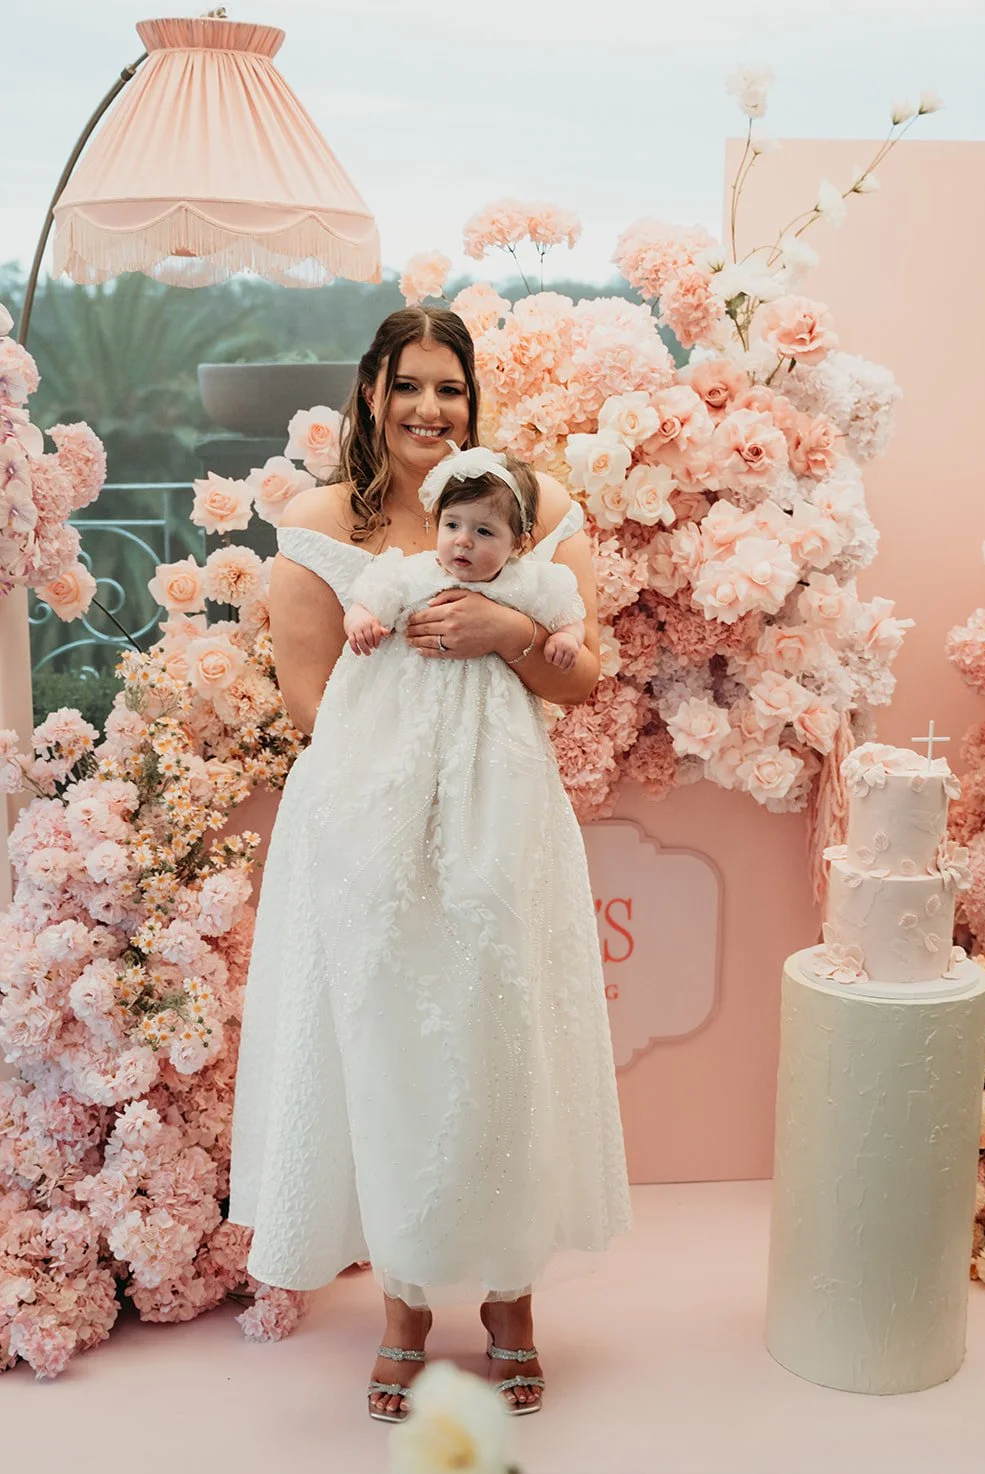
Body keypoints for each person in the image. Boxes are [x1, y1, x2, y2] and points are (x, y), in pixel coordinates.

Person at [227, 307, 630, 1424]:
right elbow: (311, 702)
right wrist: (396, 788)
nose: (427, 407)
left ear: (471, 396)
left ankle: (511, 1300)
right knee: (385, 1046)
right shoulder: (318, 522)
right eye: (406, 384)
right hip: (364, 830)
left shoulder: (532, 508)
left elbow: (579, 675)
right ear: (370, 391)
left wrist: (502, 634)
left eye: (448, 387)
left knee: (499, 1041)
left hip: (504, 824)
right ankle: (401, 1304)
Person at [342, 444, 587, 669]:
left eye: (483, 531)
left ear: (517, 543)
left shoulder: (525, 582)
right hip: (416, 695)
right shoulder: (413, 573)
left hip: (489, 705)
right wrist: (361, 621)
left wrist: (567, 637)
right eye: (452, 525)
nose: (463, 540)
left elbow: (567, 617)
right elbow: (366, 601)